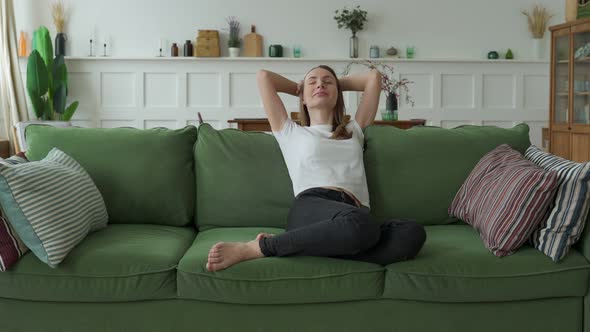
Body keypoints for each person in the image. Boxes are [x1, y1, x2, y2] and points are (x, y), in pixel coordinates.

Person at [206, 65, 426, 272]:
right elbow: (264, 77)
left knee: (411, 232)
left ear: (338, 94)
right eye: (313, 82)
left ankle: (310, 245)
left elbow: (373, 78)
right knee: (362, 226)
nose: (320, 85)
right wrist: (300, 88)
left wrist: (330, 84)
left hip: (352, 214)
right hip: (312, 207)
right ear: (302, 97)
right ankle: (260, 247)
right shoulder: (290, 131)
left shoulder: (354, 130)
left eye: (327, 82)